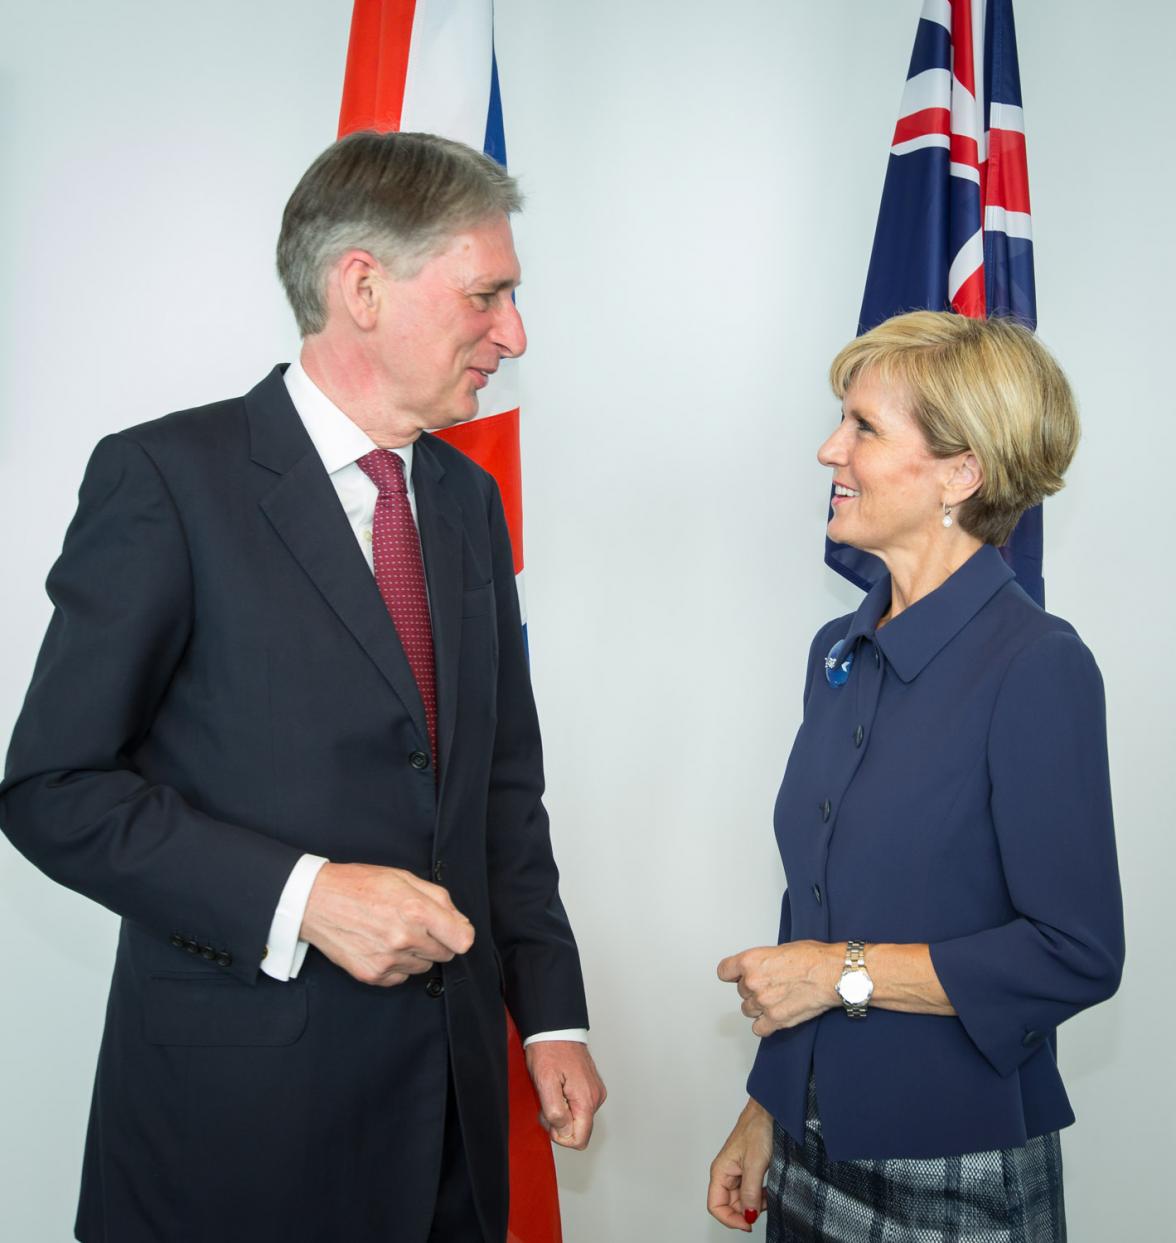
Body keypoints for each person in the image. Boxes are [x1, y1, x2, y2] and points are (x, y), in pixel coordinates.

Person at [0, 130, 605, 1243]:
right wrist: (304, 897)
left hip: (454, 1135)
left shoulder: (470, 505)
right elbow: (51, 786)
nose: (513, 334)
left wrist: (549, 1019)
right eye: (489, 294)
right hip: (234, 1143)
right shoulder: (166, 481)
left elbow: (500, 794)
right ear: (362, 287)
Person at [707, 311, 1123, 1241]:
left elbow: (1077, 951)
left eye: (863, 426)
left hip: (954, 1165)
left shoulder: (1036, 665)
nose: (829, 450)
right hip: (811, 1146)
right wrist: (765, 1107)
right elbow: (811, 904)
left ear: (960, 473)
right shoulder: (837, 650)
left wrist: (837, 974)